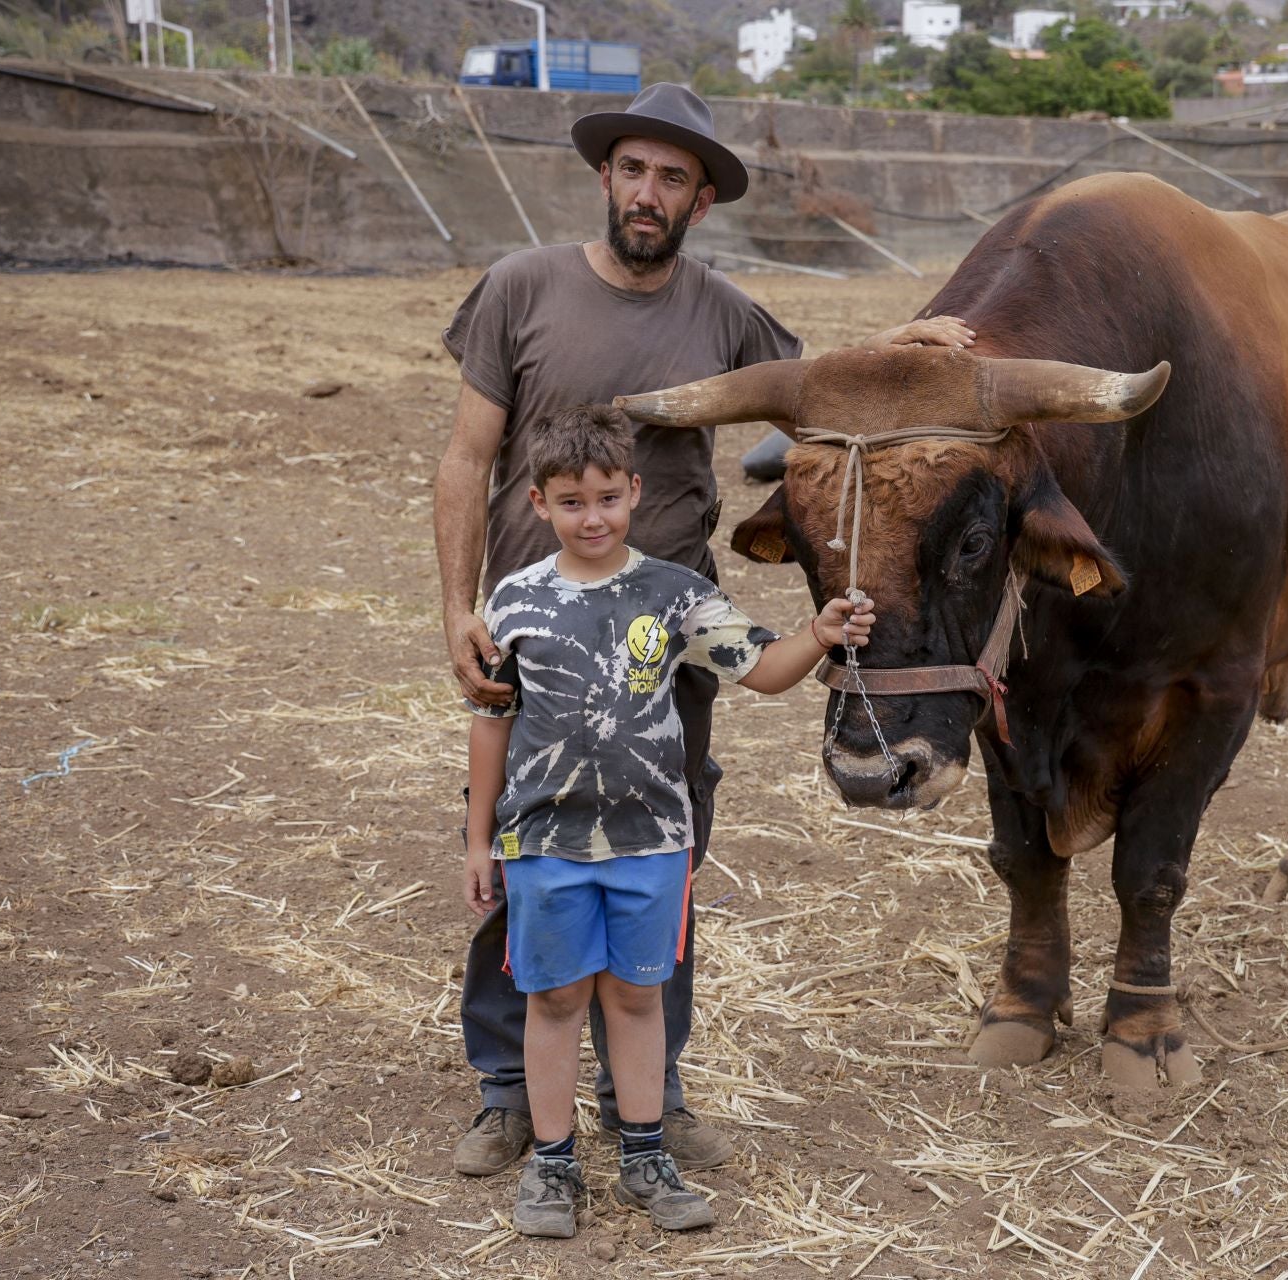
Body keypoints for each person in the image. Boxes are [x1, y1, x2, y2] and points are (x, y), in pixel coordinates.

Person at [436, 81, 971, 1179]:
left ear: (701, 200)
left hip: (666, 641)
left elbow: (832, 395)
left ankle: (653, 1091)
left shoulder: (728, 316)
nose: (648, 191)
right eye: (634, 169)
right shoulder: (520, 288)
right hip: (534, 638)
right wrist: (457, 608)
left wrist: (912, 343)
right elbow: (461, 457)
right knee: (528, 851)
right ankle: (504, 1090)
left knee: (662, 858)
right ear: (605, 178)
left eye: (673, 177)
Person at [463, 405, 875, 1237]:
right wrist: (479, 840)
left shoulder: (677, 595)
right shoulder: (511, 604)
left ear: (636, 494)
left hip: (653, 841)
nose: (593, 517)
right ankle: (552, 1165)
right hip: (543, 843)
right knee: (554, 1001)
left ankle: (646, 1155)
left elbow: (761, 669)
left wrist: (821, 634)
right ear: (538, 503)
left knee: (637, 998)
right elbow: (491, 723)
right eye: (572, 501)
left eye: (609, 498)